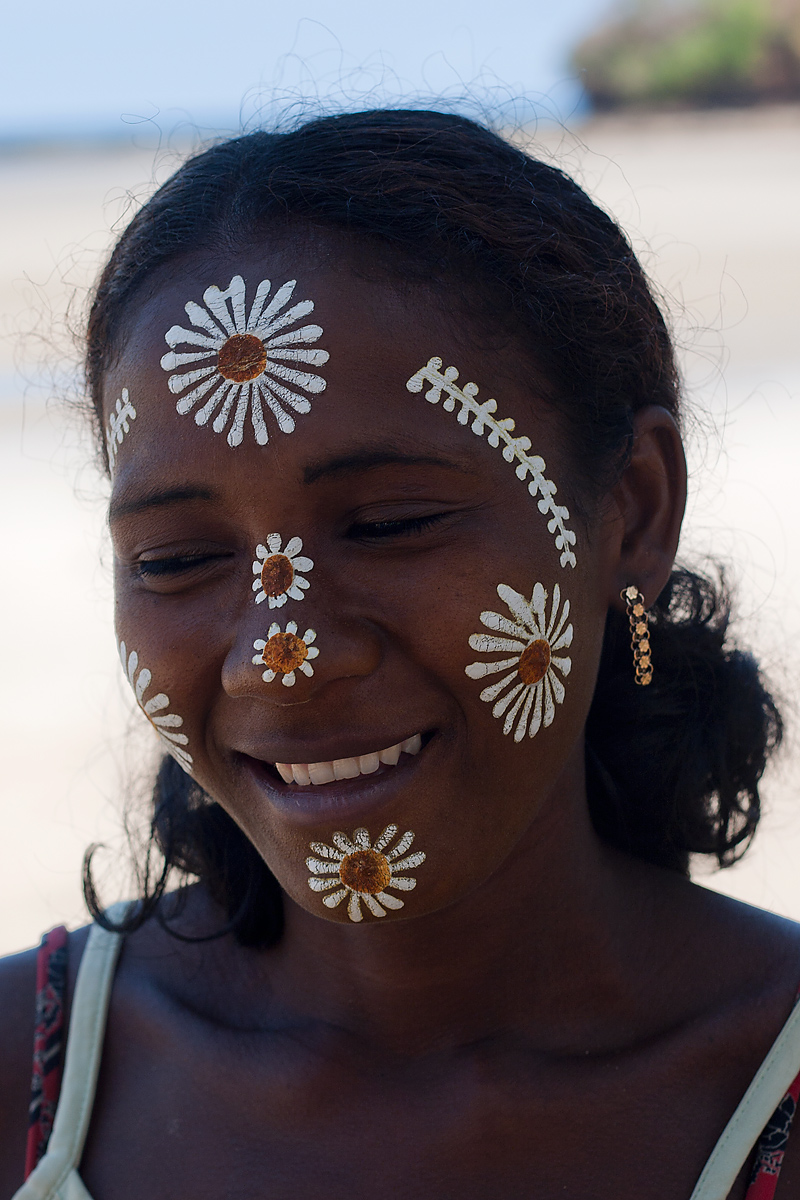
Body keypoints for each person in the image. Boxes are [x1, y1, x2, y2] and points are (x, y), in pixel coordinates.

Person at [0, 108, 796, 1200]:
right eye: (179, 557)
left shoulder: (763, 1080)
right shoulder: (27, 1090)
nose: (279, 655)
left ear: (632, 512)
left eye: (388, 525)